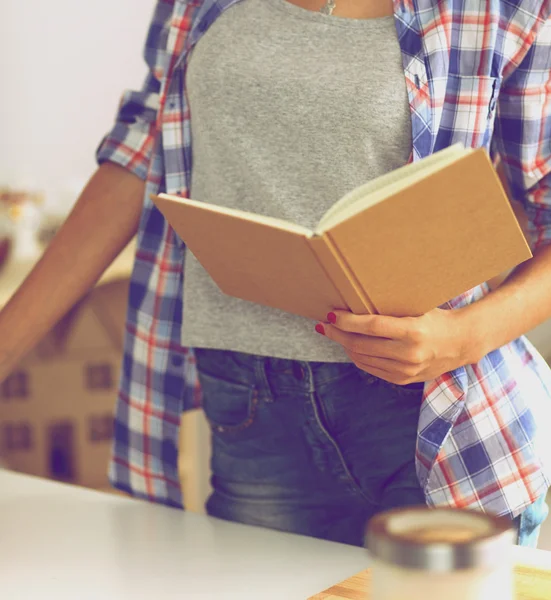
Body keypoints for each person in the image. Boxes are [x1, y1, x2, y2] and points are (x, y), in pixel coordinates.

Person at [1, 0, 551, 548]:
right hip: (252, 408)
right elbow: (136, 158)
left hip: (436, 414)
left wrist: (462, 338)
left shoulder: (507, 9)